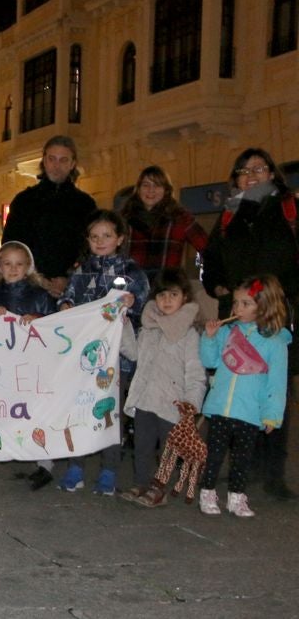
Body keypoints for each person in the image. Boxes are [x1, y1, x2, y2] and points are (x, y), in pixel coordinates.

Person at [201, 148, 298, 502]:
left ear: (273, 174)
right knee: (236, 384)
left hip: (276, 314)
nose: (252, 175)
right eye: (244, 170)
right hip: (238, 316)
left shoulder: (288, 209)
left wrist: (286, 293)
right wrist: (216, 283)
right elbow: (209, 258)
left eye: (259, 168)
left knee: (275, 388)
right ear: (235, 178)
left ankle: (273, 473)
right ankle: (242, 464)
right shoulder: (230, 213)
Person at [57, 209, 149, 495]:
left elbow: (140, 301)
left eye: (107, 236)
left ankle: (110, 469)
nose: (100, 241)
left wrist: (131, 302)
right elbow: (67, 297)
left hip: (115, 358)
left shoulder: (131, 270)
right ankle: (76, 464)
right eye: (95, 236)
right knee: (79, 409)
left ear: (119, 238)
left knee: (110, 414)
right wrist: (65, 306)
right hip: (82, 358)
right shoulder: (81, 269)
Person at [198, 275, 291, 518]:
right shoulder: (227, 331)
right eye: (237, 302)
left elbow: (277, 382)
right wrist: (208, 338)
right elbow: (211, 361)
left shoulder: (275, 342)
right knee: (215, 454)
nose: (238, 308)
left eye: (245, 304)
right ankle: (207, 492)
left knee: (242, 458)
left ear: (265, 306)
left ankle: (237, 497)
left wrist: (272, 415)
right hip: (220, 407)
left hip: (250, 411)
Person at [118, 269, 206, 506]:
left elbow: (196, 372)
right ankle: (141, 482)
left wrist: (191, 403)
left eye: (173, 295)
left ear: (184, 298)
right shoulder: (149, 327)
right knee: (143, 446)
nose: (166, 300)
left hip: (172, 402)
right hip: (146, 397)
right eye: (162, 295)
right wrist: (124, 326)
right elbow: (133, 352)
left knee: (168, 450)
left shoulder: (189, 334)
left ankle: (159, 489)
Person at [0, 240, 57, 490]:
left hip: (32, 368)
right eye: (7, 264)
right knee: (0, 407)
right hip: (1, 366)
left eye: (19, 264)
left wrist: (39, 320)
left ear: (28, 267)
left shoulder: (41, 297)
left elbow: (57, 328)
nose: (13, 269)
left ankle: (45, 462)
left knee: (37, 412)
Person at [2, 135, 97, 297]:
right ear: (44, 161)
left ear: (73, 164)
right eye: (52, 159)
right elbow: (11, 245)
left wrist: (69, 278)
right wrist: (36, 278)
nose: (56, 166)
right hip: (29, 290)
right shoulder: (24, 201)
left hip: (71, 292)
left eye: (63, 160)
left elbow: (91, 249)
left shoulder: (85, 205)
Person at [120, 165, 207, 283]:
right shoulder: (124, 219)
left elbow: (207, 248)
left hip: (165, 289)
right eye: (146, 185)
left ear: (166, 190)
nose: (151, 190)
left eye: (157, 185)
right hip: (132, 289)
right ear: (138, 189)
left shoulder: (180, 218)